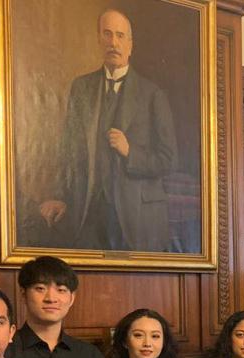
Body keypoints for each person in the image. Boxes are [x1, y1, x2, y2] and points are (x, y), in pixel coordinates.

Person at [37, 8, 178, 252]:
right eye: (108, 34)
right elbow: (68, 149)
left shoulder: (152, 94)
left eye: (121, 36)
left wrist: (130, 151)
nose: (114, 42)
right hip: (88, 213)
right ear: (99, 40)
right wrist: (60, 195)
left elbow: (169, 160)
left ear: (131, 44)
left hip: (136, 217)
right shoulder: (81, 88)